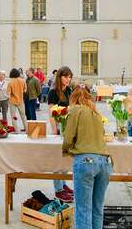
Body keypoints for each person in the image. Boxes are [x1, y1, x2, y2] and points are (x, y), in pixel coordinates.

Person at [62, 85, 112, 229]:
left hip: (86, 161)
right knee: (97, 208)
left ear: (73, 98)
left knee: (83, 209)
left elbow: (68, 137)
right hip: (105, 162)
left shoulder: (74, 110)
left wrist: (66, 151)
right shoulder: (96, 113)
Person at [47, 67, 74, 203]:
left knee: (65, 158)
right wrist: (54, 131)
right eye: (66, 77)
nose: (68, 79)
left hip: (68, 128)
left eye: (70, 77)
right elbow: (52, 113)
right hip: (58, 128)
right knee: (57, 160)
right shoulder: (53, 92)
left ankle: (63, 185)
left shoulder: (69, 90)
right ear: (59, 77)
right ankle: (58, 190)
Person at [7, 68, 28, 133]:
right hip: (21, 100)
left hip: (12, 101)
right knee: (23, 116)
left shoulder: (10, 82)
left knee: (13, 116)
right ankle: (27, 130)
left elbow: (8, 93)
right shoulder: (23, 81)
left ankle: (16, 130)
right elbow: (25, 90)